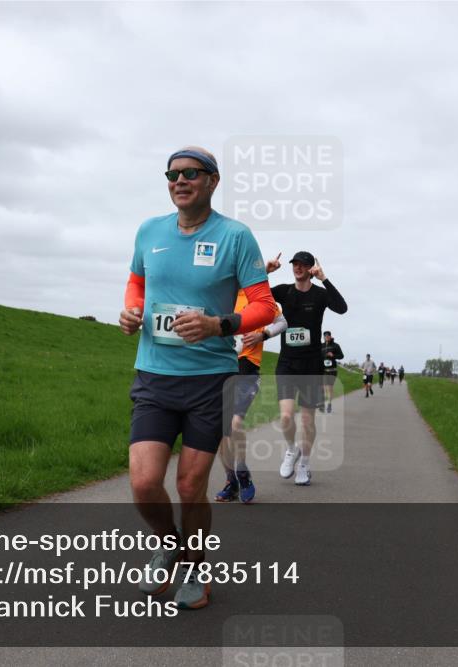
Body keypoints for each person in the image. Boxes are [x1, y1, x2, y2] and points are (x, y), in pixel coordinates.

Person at [119, 146, 276, 610]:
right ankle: (173, 546)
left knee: (190, 486)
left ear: (212, 181)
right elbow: (137, 282)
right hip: (154, 376)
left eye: (191, 173)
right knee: (145, 482)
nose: (179, 180)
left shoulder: (236, 236)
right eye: (172, 174)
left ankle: (196, 567)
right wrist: (132, 310)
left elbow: (265, 306)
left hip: (210, 379)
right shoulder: (149, 231)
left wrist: (218, 324)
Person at [267, 251, 347, 486]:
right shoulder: (283, 291)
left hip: (311, 365)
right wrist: (265, 272)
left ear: (311, 268)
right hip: (287, 363)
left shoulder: (320, 295)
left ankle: (305, 464)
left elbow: (342, 308)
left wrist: (324, 278)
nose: (297, 268)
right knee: (285, 417)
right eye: (295, 264)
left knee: (308, 422)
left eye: (303, 265)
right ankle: (292, 450)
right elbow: (253, 296)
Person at [215, 292, 287, 503]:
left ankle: (243, 474)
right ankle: (231, 481)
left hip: (247, 369)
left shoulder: (259, 296)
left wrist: (262, 335)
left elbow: (282, 322)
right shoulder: (223, 291)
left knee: (235, 423)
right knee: (221, 430)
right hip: (220, 369)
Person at [320, 331, 344, 413]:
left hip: (332, 370)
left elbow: (341, 356)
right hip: (323, 370)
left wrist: (333, 355)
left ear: (330, 336)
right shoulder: (321, 346)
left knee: (329, 388)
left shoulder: (335, 345)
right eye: (325, 336)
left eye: (328, 335)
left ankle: (329, 404)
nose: (326, 337)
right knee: (322, 388)